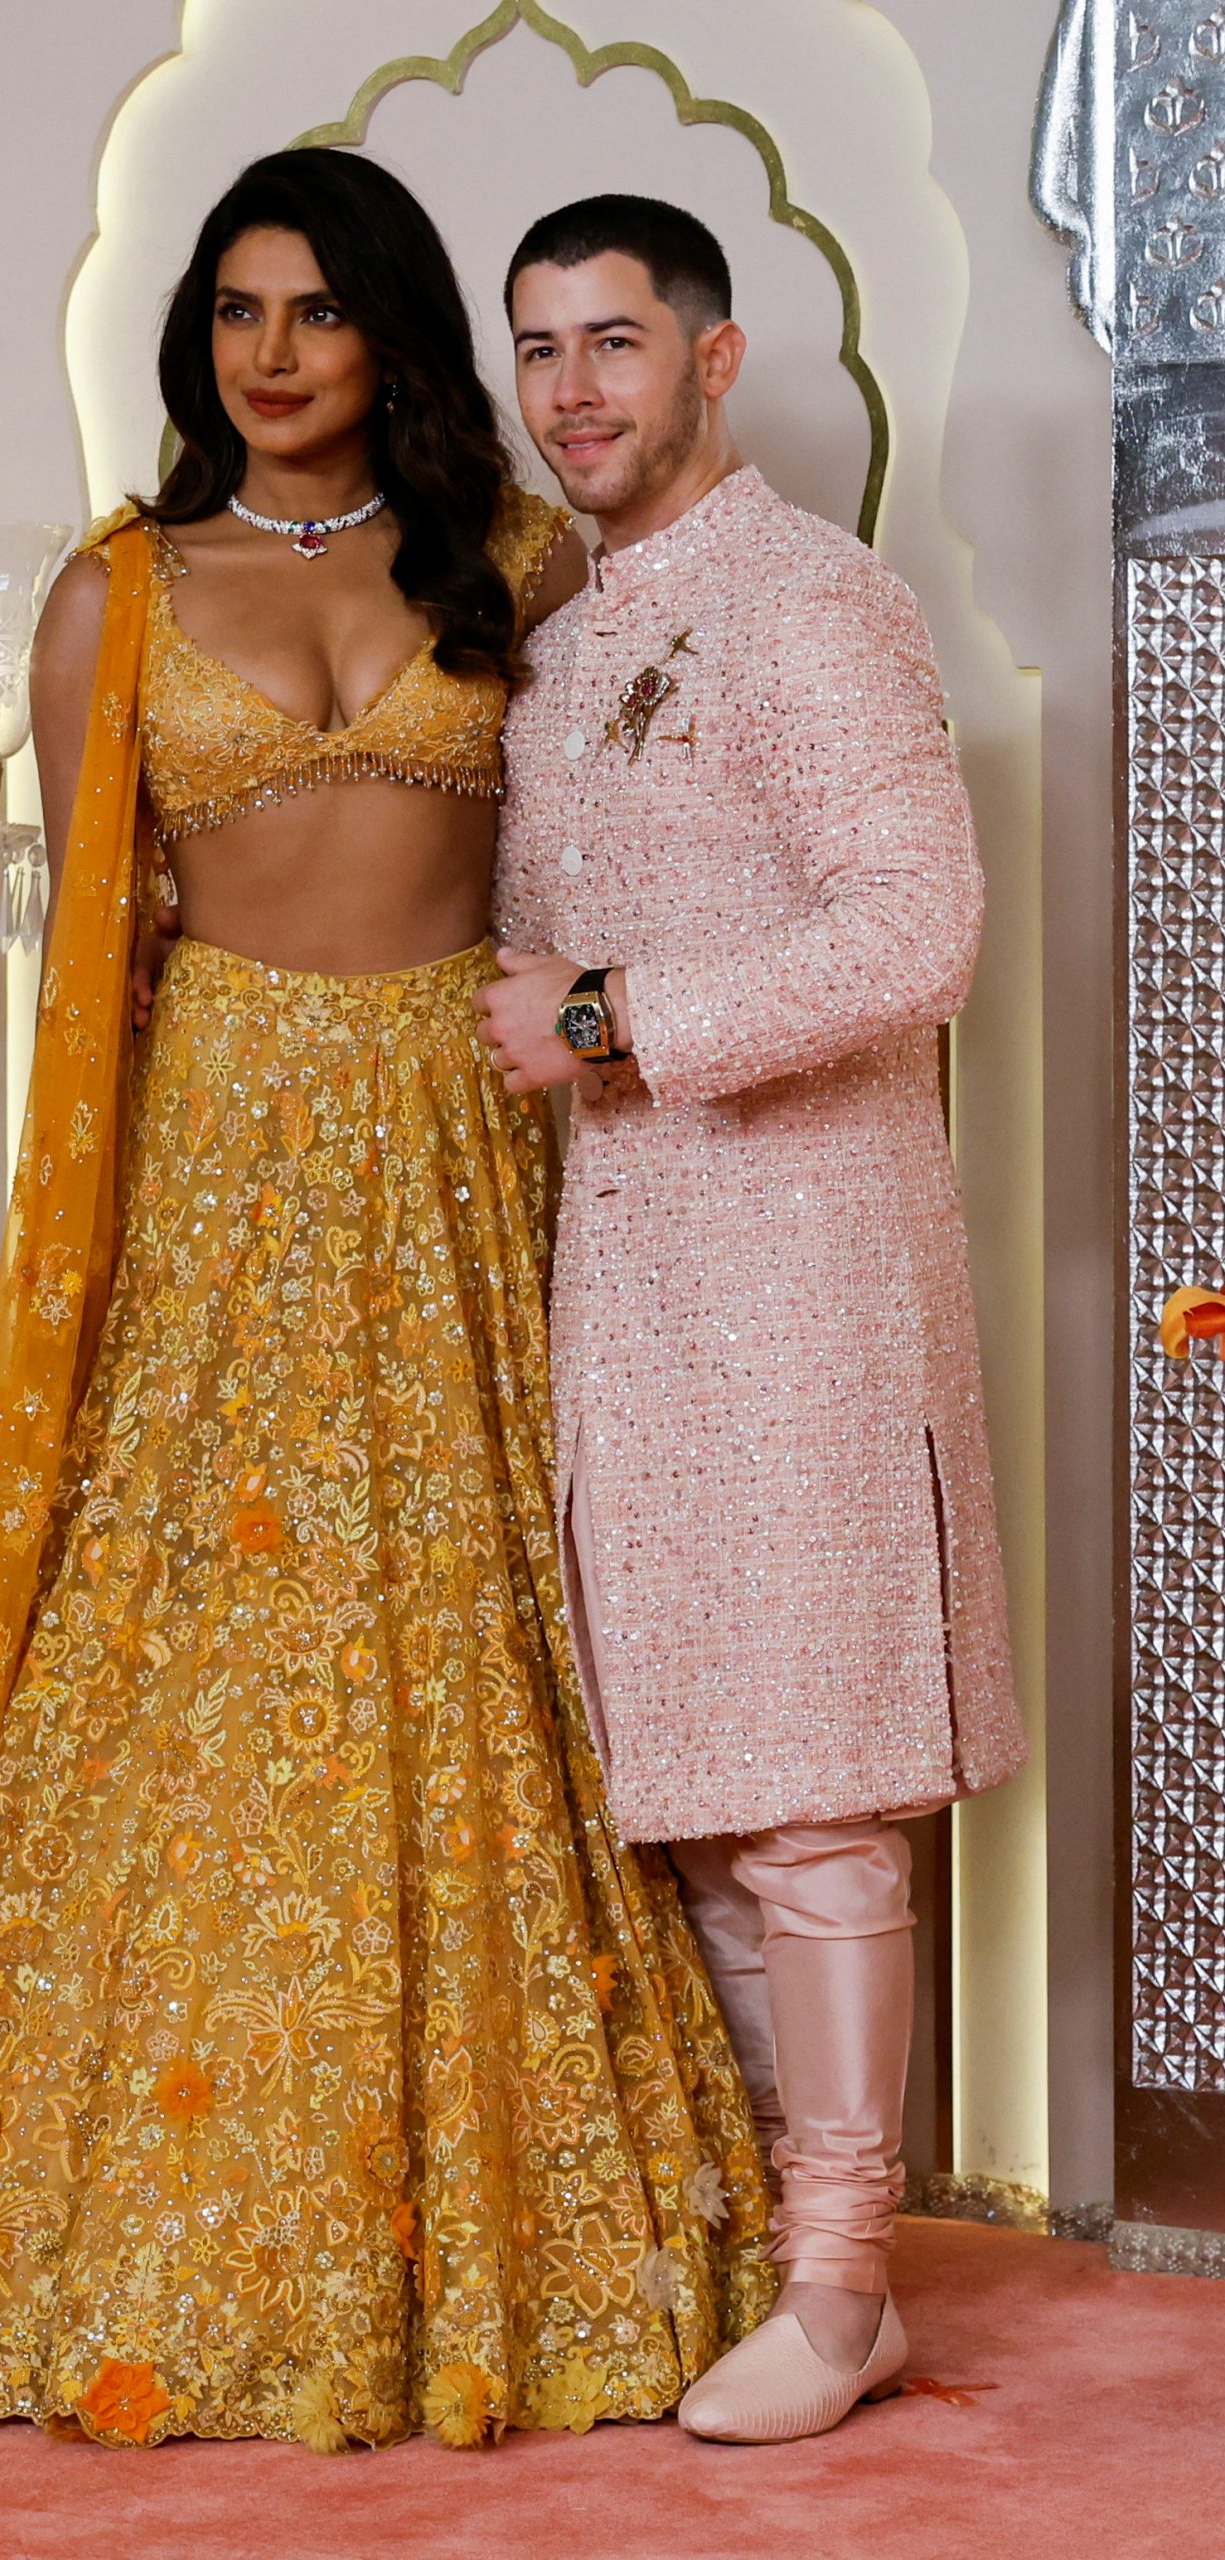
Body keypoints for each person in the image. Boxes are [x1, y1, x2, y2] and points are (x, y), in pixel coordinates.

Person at [0, 151, 774, 2452]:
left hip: (461, 1149)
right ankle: (141, 2215)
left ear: (388, 328)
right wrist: (88, 1291)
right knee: (196, 1668)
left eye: (315, 308)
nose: (273, 352)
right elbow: (91, 975)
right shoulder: (116, 591)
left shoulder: (519, 565)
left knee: (480, 1632)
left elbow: (631, 860)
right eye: (235, 309)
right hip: (220, 1165)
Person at [479, 193, 1026, 2444]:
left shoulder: (811, 600)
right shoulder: (555, 634)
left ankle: (841, 2281)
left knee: (805, 1797)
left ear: (713, 357)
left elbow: (919, 927)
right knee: (699, 1799)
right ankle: (770, 2256)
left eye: (613, 343)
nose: (570, 392)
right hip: (627, 1281)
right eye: (539, 349)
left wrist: (611, 1012)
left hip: (800, 1267)